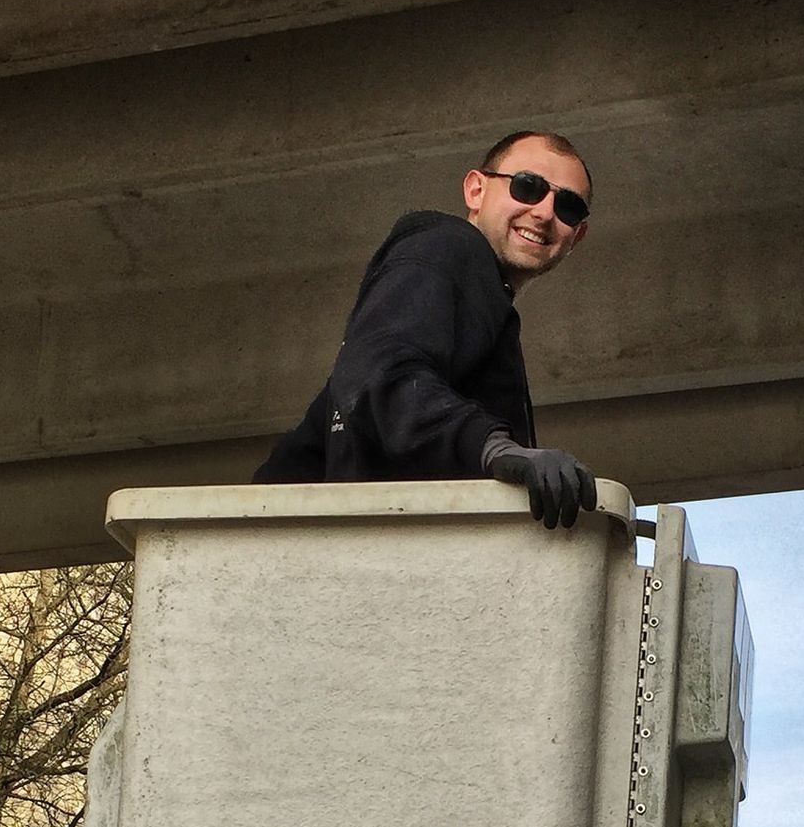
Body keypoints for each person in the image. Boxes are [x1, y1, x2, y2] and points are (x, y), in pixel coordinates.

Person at [255, 131, 600, 529]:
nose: (544, 212)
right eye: (528, 187)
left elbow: (353, 392)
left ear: (579, 235)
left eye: (568, 207)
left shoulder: (478, 308)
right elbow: (382, 373)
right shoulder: (448, 247)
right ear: (475, 189)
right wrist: (495, 449)